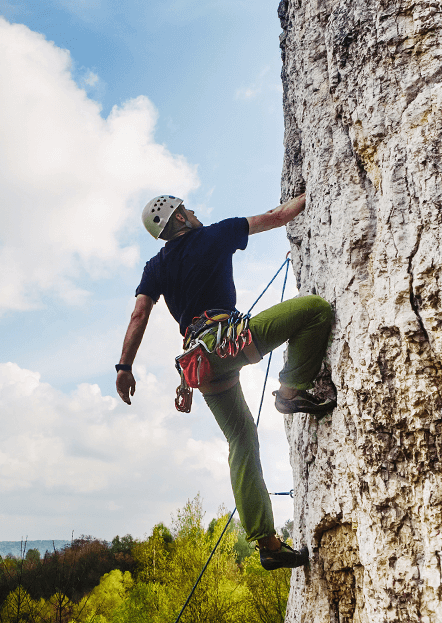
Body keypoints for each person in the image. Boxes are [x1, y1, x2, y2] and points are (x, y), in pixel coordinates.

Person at [115, 193, 335, 570]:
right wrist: (316, 190)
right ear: (181, 218)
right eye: (190, 210)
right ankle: (290, 392)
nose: (196, 213)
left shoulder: (155, 267)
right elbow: (277, 216)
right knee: (314, 310)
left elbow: (139, 315)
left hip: (199, 365)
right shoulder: (215, 234)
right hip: (229, 342)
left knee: (241, 438)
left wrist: (124, 367)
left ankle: (268, 544)